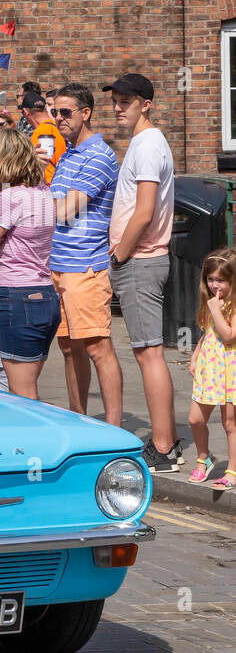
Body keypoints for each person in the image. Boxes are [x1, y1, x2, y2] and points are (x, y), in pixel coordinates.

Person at [104, 73, 179, 472]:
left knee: (149, 353)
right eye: (116, 100)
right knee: (147, 352)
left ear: (145, 104)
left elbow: (145, 211)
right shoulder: (143, 142)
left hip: (141, 260)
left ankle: (164, 447)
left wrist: (119, 256)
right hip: (141, 259)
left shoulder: (148, 145)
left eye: (126, 101)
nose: (118, 107)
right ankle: (167, 438)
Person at [46, 82, 123, 426]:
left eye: (65, 112)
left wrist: (31, 206)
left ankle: (114, 428)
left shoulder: (98, 155)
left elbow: (67, 211)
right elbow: (55, 207)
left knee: (97, 347)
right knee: (68, 348)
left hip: (84, 265)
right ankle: (81, 423)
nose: (58, 118)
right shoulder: (68, 154)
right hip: (58, 263)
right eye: (54, 112)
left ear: (86, 113)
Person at [0, 128, 59, 400]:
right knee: (29, 386)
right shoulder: (43, 191)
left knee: (21, 394)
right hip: (45, 294)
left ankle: (32, 443)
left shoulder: (10, 197)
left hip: (19, 297)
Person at [187, 249, 236, 489]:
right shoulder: (211, 303)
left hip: (230, 369)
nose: (214, 285)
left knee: (230, 424)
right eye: (210, 279)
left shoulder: (231, 306)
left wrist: (216, 309)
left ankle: (231, 470)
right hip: (210, 367)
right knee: (195, 419)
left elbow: (228, 336)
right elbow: (208, 333)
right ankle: (204, 458)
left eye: (220, 280)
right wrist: (195, 357)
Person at [20, 90, 65, 184]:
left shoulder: (40, 133)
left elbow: (41, 168)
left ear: (26, 113)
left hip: (49, 187)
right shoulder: (58, 126)